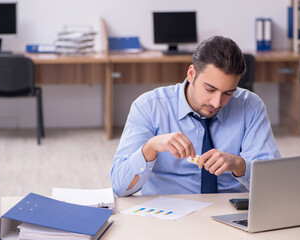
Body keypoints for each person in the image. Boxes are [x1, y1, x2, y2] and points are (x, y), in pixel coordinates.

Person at [111, 36, 281, 197]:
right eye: (210, 89)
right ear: (191, 74)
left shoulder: (250, 106)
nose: (216, 103)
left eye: (228, 93)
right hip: (169, 213)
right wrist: (150, 148)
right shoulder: (149, 106)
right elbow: (120, 187)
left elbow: (274, 183)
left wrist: (239, 165)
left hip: (230, 212)